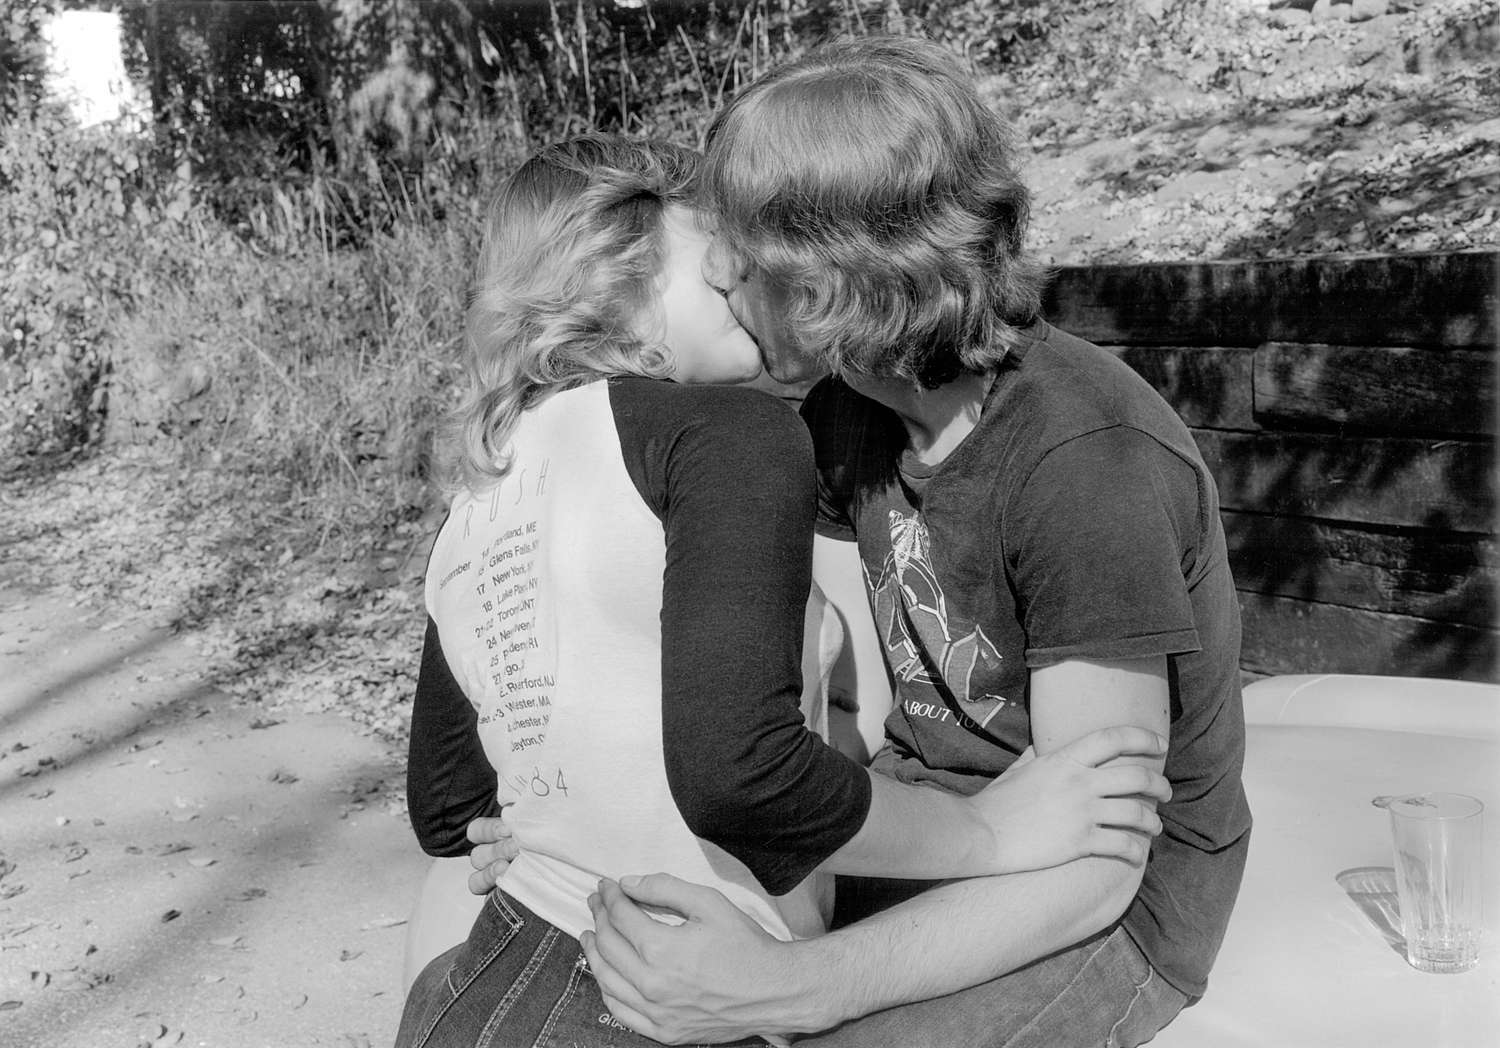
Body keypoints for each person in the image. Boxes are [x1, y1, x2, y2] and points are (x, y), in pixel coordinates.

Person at [395, 133, 1174, 1048]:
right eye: (715, 251)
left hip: (488, 982)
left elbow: (448, 805)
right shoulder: (725, 434)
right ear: (621, 265)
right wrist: (988, 836)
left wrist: (546, 814)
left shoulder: (482, 493)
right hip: (648, 987)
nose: (742, 272)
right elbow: (742, 775)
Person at [553, 36, 1253, 1048]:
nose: (713, 268)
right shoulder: (840, 417)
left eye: (740, 248)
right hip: (942, 817)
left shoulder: (1086, 462)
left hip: (1120, 900)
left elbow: (1098, 862)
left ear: (840, 280)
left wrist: (795, 988)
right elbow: (844, 707)